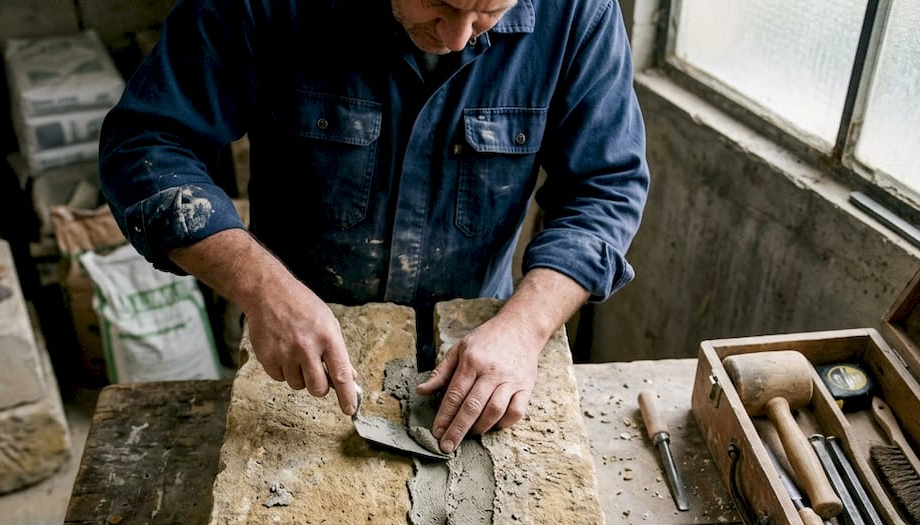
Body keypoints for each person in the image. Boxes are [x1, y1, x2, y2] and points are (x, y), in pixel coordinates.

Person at [99, 0, 649, 454]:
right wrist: (260, 287)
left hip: (479, 341)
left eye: (487, 14)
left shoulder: (578, 12)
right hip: (291, 343)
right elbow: (147, 146)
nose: (459, 38)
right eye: (440, 5)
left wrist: (524, 328)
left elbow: (605, 186)